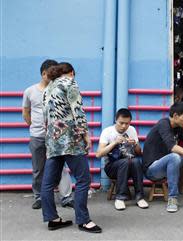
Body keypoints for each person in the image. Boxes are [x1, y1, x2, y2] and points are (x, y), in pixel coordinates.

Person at [41, 62, 102, 233]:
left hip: (53, 140)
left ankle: (52, 218)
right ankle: (83, 220)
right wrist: (86, 135)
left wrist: (50, 141)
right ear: (71, 73)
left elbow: (45, 118)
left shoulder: (47, 89)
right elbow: (78, 110)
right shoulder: (70, 83)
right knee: (83, 179)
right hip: (70, 139)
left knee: (48, 182)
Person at [22, 59, 74, 210]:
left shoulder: (58, 89)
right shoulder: (30, 91)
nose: (53, 75)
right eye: (50, 73)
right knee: (38, 168)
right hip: (37, 135)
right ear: (44, 73)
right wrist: (33, 126)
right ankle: (39, 197)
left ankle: (66, 197)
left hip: (56, 136)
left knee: (61, 166)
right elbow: (26, 112)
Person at [142, 102, 183, 213]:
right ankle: (172, 198)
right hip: (152, 169)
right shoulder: (163, 124)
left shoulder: (177, 127)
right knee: (175, 156)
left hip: (167, 165)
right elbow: (173, 147)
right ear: (175, 116)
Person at [96, 108, 148, 210]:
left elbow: (138, 152)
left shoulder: (132, 130)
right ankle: (120, 198)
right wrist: (114, 142)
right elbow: (99, 154)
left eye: (127, 123)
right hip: (112, 168)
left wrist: (135, 144)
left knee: (136, 161)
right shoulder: (107, 132)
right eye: (121, 123)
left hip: (129, 166)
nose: (124, 126)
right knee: (124, 162)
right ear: (116, 120)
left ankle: (140, 197)